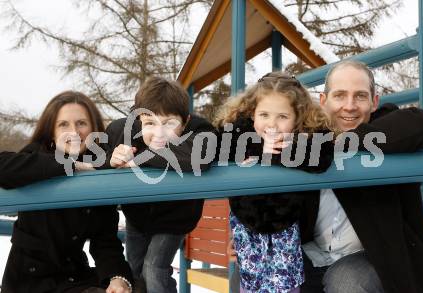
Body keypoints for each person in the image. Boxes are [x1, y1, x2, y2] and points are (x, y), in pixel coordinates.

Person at [300, 60, 423, 293]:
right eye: (340, 95)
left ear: (374, 102)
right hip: (313, 253)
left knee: (348, 283)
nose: (350, 106)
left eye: (360, 96)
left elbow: (421, 125)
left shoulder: (384, 128)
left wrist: (347, 141)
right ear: (323, 102)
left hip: (369, 259)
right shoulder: (309, 139)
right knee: (253, 270)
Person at [0, 91, 133, 293]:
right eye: (64, 125)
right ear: (52, 131)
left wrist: (118, 278)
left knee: (137, 286)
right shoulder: (36, 155)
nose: (74, 131)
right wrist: (68, 164)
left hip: (74, 275)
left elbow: (105, 241)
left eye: (81, 123)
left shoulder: (98, 170)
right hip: (29, 281)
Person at [215, 72, 334, 293]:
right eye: (264, 115)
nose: (272, 124)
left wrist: (276, 153)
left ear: (297, 117)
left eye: (282, 116)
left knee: (287, 285)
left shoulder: (301, 140)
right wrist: (260, 152)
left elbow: (323, 154)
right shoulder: (238, 136)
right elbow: (216, 145)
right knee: (248, 285)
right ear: (252, 113)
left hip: (285, 229)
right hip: (247, 229)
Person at [106, 76, 215, 293]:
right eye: (150, 123)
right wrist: (113, 158)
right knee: (134, 271)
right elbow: (98, 156)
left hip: (175, 218)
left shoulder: (200, 130)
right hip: (137, 217)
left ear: (185, 122)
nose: (159, 133)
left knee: (154, 268)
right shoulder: (122, 131)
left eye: (169, 123)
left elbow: (200, 156)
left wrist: (137, 159)